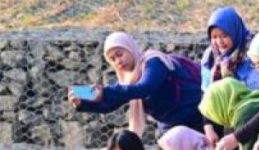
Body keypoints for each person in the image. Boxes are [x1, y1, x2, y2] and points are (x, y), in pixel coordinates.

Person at [69, 32, 204, 136]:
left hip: (195, 116)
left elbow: (144, 88)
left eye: (120, 54)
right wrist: (83, 101)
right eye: (112, 59)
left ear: (130, 48)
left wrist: (104, 92)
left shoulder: (154, 62)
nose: (118, 61)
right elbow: (112, 102)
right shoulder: (129, 80)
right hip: (171, 127)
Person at [201, 6, 259, 93]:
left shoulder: (253, 57)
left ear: (235, 34)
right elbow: (206, 92)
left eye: (224, 36)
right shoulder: (209, 59)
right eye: (214, 37)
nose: (219, 41)